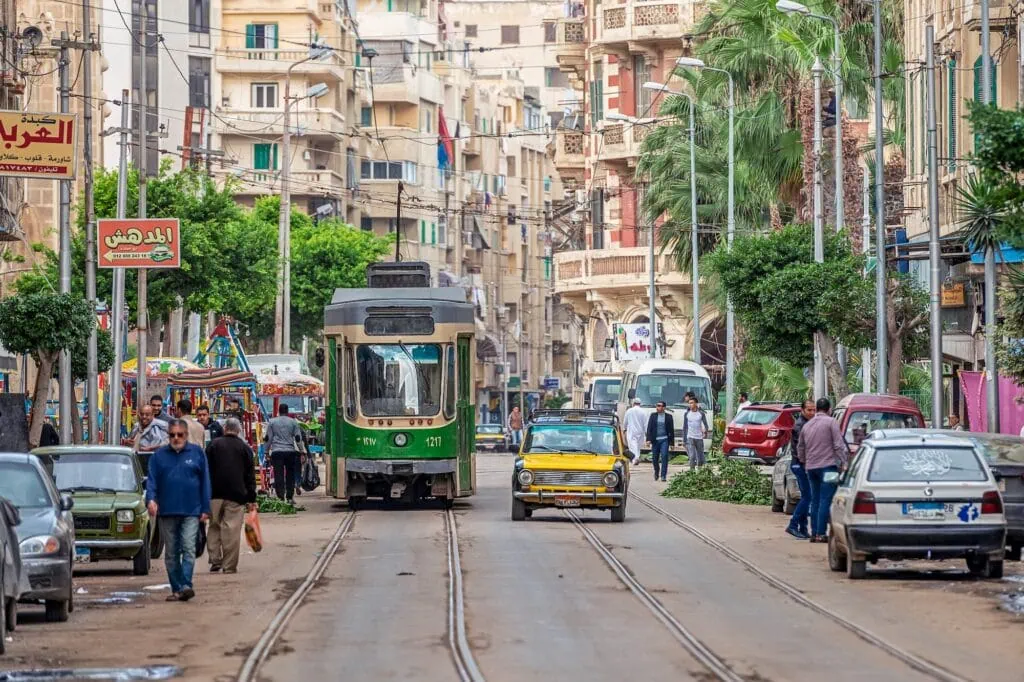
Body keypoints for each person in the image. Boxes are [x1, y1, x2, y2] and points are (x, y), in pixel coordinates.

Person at [146, 419, 211, 602]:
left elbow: (205, 481)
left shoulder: (197, 453)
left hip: (192, 510)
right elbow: (152, 481)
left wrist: (206, 508)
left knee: (189, 548)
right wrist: (151, 500)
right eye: (172, 435)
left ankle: (186, 585)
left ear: (186, 435)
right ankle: (178, 588)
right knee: (172, 553)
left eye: (179, 434)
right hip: (167, 511)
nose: (176, 438)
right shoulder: (159, 457)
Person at [205, 418, 256, 574]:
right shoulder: (245, 448)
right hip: (237, 495)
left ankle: (215, 560)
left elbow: (205, 470)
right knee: (232, 530)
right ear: (239, 430)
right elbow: (250, 476)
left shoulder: (213, 445)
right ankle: (229, 566)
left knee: (213, 526)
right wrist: (252, 499)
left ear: (224, 428)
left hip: (214, 493)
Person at [797, 397, 849, 543]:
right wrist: (844, 463)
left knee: (815, 500)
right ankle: (821, 533)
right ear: (829, 409)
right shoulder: (831, 422)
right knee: (826, 499)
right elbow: (839, 445)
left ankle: (814, 533)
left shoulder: (807, 425)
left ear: (817, 409)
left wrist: (804, 461)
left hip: (811, 468)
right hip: (829, 468)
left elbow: (800, 447)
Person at [784, 399, 816, 540]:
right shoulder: (800, 426)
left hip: (802, 464)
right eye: (809, 410)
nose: (812, 412)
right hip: (799, 464)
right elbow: (800, 449)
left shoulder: (807, 424)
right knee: (807, 496)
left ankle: (802, 528)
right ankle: (793, 525)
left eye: (814, 409)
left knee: (806, 496)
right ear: (802, 410)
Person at [265, 404, 303, 504]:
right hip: (290, 451)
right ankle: (290, 497)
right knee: (290, 475)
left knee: (278, 475)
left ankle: (280, 497)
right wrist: (302, 451)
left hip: (277, 452)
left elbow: (268, 438)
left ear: (279, 411)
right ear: (287, 411)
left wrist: (266, 451)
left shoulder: (272, 422)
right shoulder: (293, 422)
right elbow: (298, 438)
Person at [645, 401, 674, 482]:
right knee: (655, 458)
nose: (657, 407)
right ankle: (656, 471)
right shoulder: (653, 416)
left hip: (665, 439)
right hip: (655, 440)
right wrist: (648, 439)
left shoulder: (669, 417)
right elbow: (649, 428)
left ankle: (663, 475)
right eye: (657, 406)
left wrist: (672, 443)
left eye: (659, 406)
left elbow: (671, 430)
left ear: (664, 407)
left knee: (664, 456)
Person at [681, 398, 709, 470]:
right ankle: (692, 471)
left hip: (699, 438)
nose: (690, 404)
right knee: (692, 456)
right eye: (689, 403)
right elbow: (685, 427)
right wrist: (684, 440)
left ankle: (699, 471)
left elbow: (706, 425)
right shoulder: (687, 414)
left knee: (700, 457)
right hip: (690, 437)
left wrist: (705, 430)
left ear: (696, 404)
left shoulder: (701, 414)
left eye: (692, 403)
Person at [624, 398, 647, 465]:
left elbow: (625, 421)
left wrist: (624, 429)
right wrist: (646, 432)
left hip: (631, 431)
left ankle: (635, 459)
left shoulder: (629, 411)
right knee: (638, 446)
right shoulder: (643, 412)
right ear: (640, 404)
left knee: (632, 446)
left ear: (633, 403)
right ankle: (636, 458)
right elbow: (645, 423)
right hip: (641, 432)